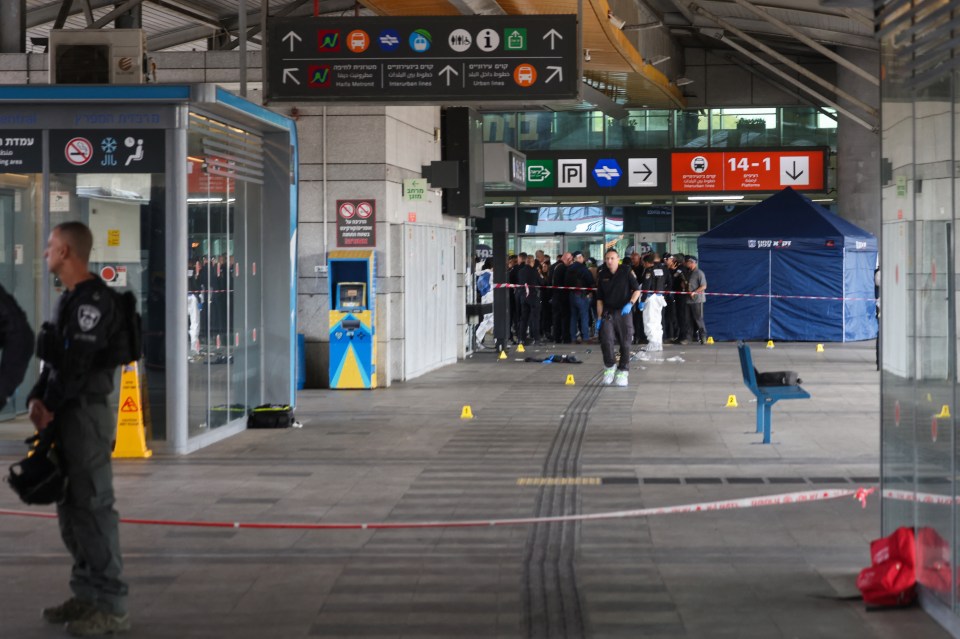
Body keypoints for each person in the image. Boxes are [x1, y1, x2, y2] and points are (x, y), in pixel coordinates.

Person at [29, 222, 131, 636]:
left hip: (85, 415)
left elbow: (76, 367)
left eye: (51, 246)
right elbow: (54, 359)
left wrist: (48, 404)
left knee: (93, 506)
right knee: (71, 509)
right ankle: (87, 593)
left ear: (67, 251)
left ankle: (112, 604)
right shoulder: (69, 300)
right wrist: (39, 397)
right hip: (66, 413)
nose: (46, 253)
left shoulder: (92, 303)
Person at [595, 248, 641, 386]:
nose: (609, 261)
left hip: (624, 311)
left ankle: (623, 371)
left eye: (612, 258)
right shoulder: (602, 274)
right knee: (606, 340)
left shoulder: (626, 271)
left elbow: (637, 290)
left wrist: (631, 303)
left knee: (625, 342)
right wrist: (598, 318)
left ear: (618, 258)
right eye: (607, 258)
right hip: (608, 312)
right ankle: (609, 367)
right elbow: (599, 299)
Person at [640, 253, 670, 352]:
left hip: (650, 298)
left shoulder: (649, 270)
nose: (644, 265)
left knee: (649, 321)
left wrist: (642, 300)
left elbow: (646, 287)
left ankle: (652, 344)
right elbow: (669, 283)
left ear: (648, 263)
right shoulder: (664, 269)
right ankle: (658, 343)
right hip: (659, 297)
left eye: (644, 263)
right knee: (657, 322)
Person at [565, 251, 594, 343]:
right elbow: (590, 281)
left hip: (571, 295)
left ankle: (573, 337)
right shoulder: (583, 268)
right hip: (581, 295)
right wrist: (590, 291)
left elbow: (566, 282)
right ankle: (585, 337)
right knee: (584, 316)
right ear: (580, 258)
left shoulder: (569, 269)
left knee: (573, 317)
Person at [685, 255, 708, 344]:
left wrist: (695, 292)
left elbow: (704, 286)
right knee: (688, 320)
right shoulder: (688, 273)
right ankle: (688, 338)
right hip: (688, 300)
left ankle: (703, 337)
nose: (686, 264)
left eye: (688, 262)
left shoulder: (699, 273)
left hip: (697, 300)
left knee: (698, 319)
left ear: (692, 263)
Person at [475, 258, 494, 348]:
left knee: (487, 320)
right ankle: (476, 339)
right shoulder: (491, 274)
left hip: (484, 297)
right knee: (489, 321)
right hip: (490, 298)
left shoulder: (481, 273)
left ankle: (477, 339)